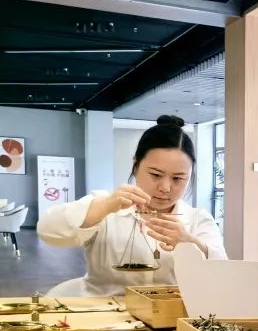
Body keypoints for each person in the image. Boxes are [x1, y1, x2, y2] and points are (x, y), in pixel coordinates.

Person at [39, 115, 226, 296]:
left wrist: (190, 242)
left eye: (178, 178)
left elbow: (222, 273)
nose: (165, 188)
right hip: (102, 309)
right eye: (156, 175)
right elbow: (47, 230)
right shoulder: (106, 206)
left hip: (169, 312)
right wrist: (103, 207)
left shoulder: (197, 220)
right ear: (136, 166)